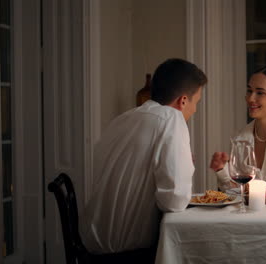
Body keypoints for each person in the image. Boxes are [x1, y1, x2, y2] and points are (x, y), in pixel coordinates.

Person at [80, 58, 207, 260]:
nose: (195, 110)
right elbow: (174, 201)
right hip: (126, 254)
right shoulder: (171, 119)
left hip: (93, 243)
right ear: (183, 101)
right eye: (196, 102)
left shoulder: (125, 118)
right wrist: (185, 167)